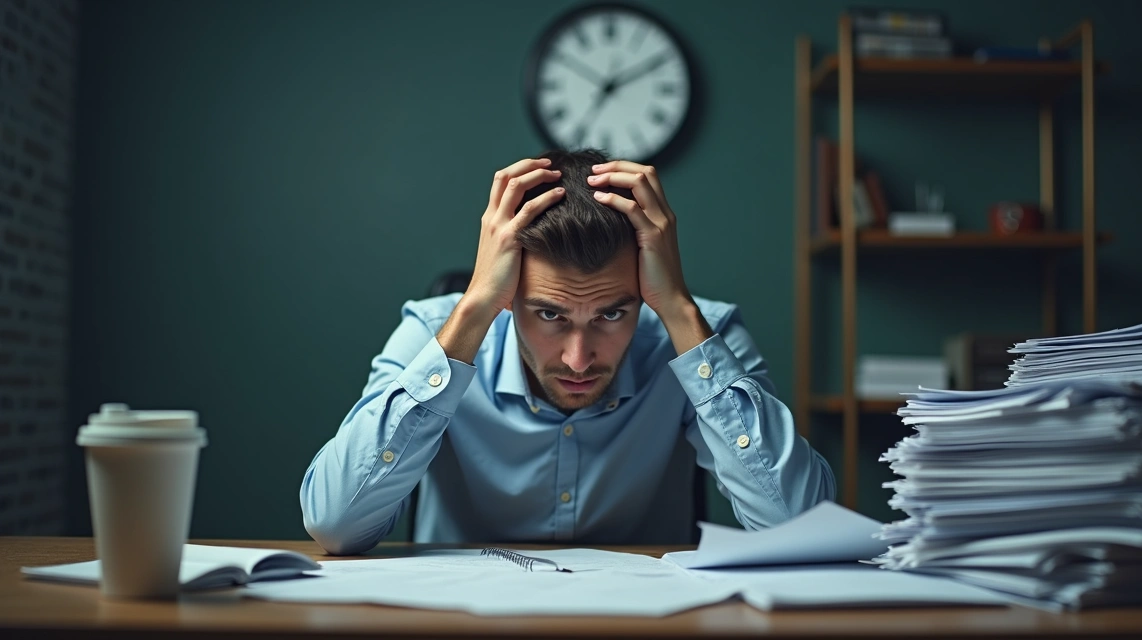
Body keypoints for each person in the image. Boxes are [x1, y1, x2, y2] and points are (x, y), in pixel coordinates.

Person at [300, 149, 836, 554]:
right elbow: (335, 523)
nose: (579, 359)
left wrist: (677, 307)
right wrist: (476, 305)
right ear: (508, 294)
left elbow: (800, 525)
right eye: (550, 315)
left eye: (612, 314)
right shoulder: (435, 334)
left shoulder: (701, 335)